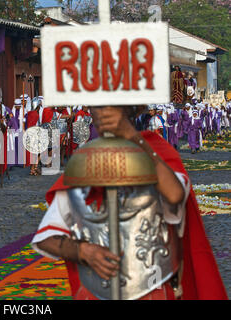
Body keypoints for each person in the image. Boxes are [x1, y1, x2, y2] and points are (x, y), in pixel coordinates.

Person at [32, 106, 228, 300]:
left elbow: (174, 194)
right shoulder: (84, 163)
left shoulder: (157, 151)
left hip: (153, 290)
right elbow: (47, 236)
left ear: (130, 109)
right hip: (98, 293)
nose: (103, 114)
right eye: (97, 107)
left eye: (111, 106)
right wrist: (82, 250)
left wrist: (131, 136)